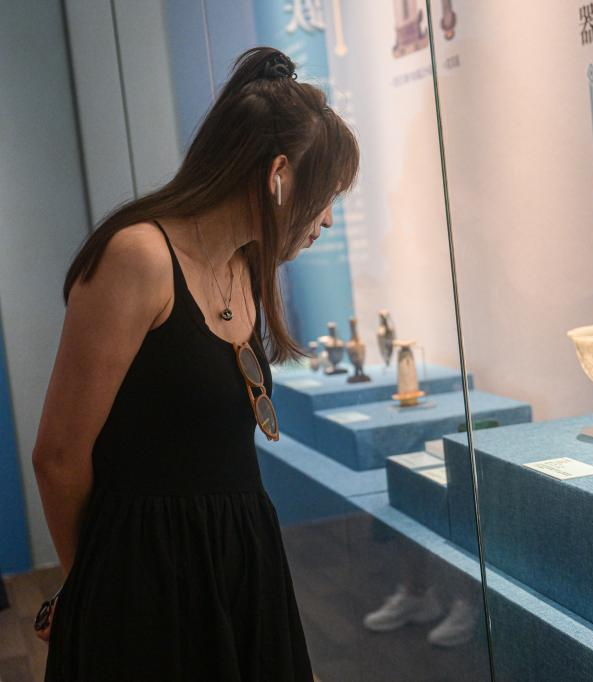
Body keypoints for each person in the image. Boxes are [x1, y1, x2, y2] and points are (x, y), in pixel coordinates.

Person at [31, 46, 359, 680]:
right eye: (325, 196)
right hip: (146, 577)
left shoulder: (244, 263)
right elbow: (59, 457)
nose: (325, 220)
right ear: (279, 174)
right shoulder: (139, 257)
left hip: (241, 560)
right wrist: (92, 589)